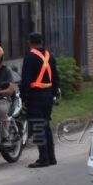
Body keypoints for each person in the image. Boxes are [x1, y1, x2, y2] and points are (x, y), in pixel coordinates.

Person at [20, 32, 60, 168]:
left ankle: (43, 158)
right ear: (41, 42)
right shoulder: (50, 56)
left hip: (35, 96)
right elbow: (56, 77)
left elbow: (25, 80)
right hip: (48, 95)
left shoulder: (30, 57)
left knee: (38, 126)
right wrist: (53, 93)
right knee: (46, 125)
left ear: (29, 42)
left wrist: (24, 98)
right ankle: (51, 157)